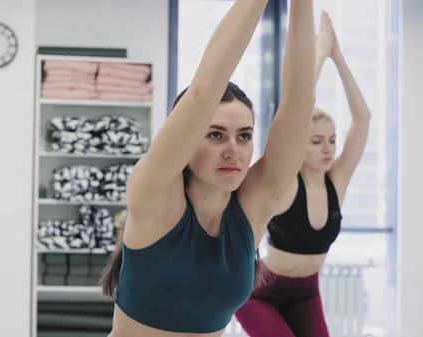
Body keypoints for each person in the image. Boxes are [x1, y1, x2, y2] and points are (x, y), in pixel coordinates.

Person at [97, 0, 317, 336]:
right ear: (186, 143)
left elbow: (300, 102)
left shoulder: (253, 209)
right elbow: (202, 93)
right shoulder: (154, 195)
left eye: (244, 136)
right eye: (215, 135)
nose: (233, 151)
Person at [234, 12, 372, 337]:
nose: (328, 149)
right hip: (258, 294)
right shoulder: (284, 180)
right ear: (300, 143)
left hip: (306, 293)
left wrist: (338, 57)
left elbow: (363, 119)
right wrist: (319, 55)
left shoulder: (336, 181)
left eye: (333, 141)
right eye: (316, 141)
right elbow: (296, 104)